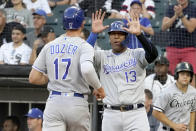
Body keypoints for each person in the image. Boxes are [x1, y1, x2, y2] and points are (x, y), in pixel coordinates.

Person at [28, 6, 105, 131]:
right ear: (82, 23)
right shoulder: (84, 45)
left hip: (54, 102)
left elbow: (33, 78)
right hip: (77, 102)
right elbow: (87, 69)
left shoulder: (49, 46)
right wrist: (99, 88)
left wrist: (49, 77)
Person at [90, 9, 158, 130]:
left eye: (120, 33)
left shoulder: (137, 54)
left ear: (126, 36)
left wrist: (139, 34)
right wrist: (93, 34)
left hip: (136, 114)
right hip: (111, 114)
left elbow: (153, 54)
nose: (116, 36)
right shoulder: (102, 56)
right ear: (109, 37)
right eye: (113, 33)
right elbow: (82, 57)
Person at [161, 0, 196, 87]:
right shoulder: (170, 9)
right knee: (172, 77)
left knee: (189, 76)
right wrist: (175, 15)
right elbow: (164, 27)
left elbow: (191, 28)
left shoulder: (193, 8)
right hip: (172, 48)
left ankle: (191, 99)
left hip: (189, 49)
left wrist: (181, 15)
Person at [153, 62, 196, 131]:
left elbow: (192, 111)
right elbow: (155, 112)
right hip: (167, 129)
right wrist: (173, 125)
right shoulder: (167, 92)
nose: (185, 77)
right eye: (182, 74)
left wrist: (192, 129)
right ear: (176, 76)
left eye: (188, 75)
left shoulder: (193, 92)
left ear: (191, 77)